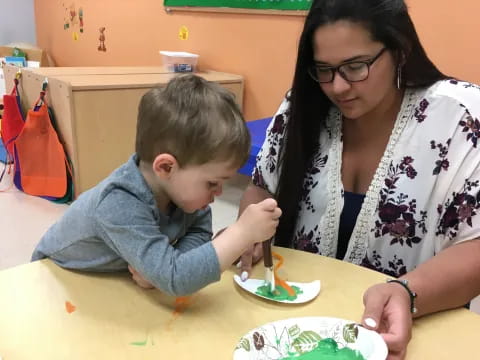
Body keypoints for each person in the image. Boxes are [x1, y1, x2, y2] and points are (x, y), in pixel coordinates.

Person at [237, 0, 480, 358]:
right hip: (296, 335)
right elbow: (261, 187)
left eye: (355, 66)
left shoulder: (460, 119)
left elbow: (474, 244)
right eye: (323, 69)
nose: (337, 87)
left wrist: (407, 292)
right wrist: (247, 234)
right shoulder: (302, 107)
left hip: (407, 337)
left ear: (400, 49)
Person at [32, 74, 281, 296]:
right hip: (54, 278)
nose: (217, 194)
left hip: (108, 281)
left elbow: (198, 232)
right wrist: (241, 232)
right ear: (166, 167)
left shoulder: (184, 194)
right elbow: (177, 280)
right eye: (212, 183)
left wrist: (160, 270)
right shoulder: (119, 202)